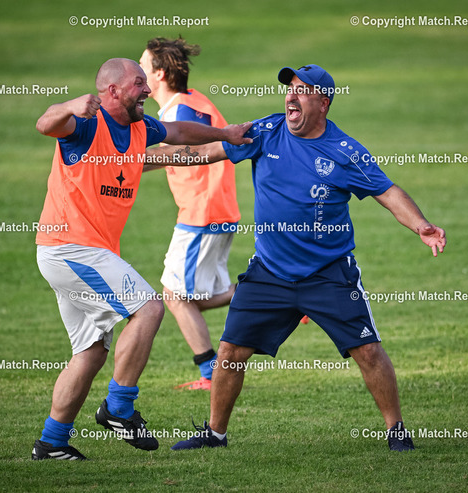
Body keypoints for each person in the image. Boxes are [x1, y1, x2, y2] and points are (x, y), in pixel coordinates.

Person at [147, 64, 446, 452]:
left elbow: (387, 192)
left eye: (303, 91)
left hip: (328, 273)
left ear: (323, 104)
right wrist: (140, 160)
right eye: (290, 89)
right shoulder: (266, 131)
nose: (291, 96)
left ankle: (396, 431)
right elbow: (205, 152)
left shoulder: (345, 151)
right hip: (269, 272)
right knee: (231, 352)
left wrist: (421, 225)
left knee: (369, 351)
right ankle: (215, 434)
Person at [31, 57, 251, 460]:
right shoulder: (85, 125)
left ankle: (51, 442)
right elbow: (45, 124)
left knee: (91, 351)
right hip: (70, 247)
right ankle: (119, 408)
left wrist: (227, 137)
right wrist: (68, 106)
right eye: (138, 83)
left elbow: (180, 135)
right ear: (113, 90)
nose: (148, 90)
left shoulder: (140, 129)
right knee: (150, 307)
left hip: (84, 252)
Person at [139, 37, 241, 391]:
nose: (137, 73)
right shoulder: (192, 102)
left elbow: (182, 152)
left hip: (202, 212)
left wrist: (120, 161)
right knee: (194, 296)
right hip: (215, 209)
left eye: (142, 67)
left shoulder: (181, 112)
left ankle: (210, 374)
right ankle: (276, 294)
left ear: (160, 74)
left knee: (175, 295)